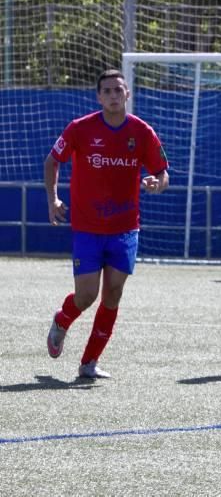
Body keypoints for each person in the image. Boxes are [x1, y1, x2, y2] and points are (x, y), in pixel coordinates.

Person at [44, 69, 169, 379]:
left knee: (112, 293)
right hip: (87, 227)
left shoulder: (142, 132)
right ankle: (62, 320)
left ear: (127, 94)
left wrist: (157, 183)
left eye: (119, 90)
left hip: (125, 228)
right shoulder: (80, 129)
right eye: (107, 91)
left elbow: (163, 173)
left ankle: (89, 362)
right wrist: (53, 200)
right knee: (86, 296)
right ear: (99, 97)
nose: (114, 95)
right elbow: (52, 161)